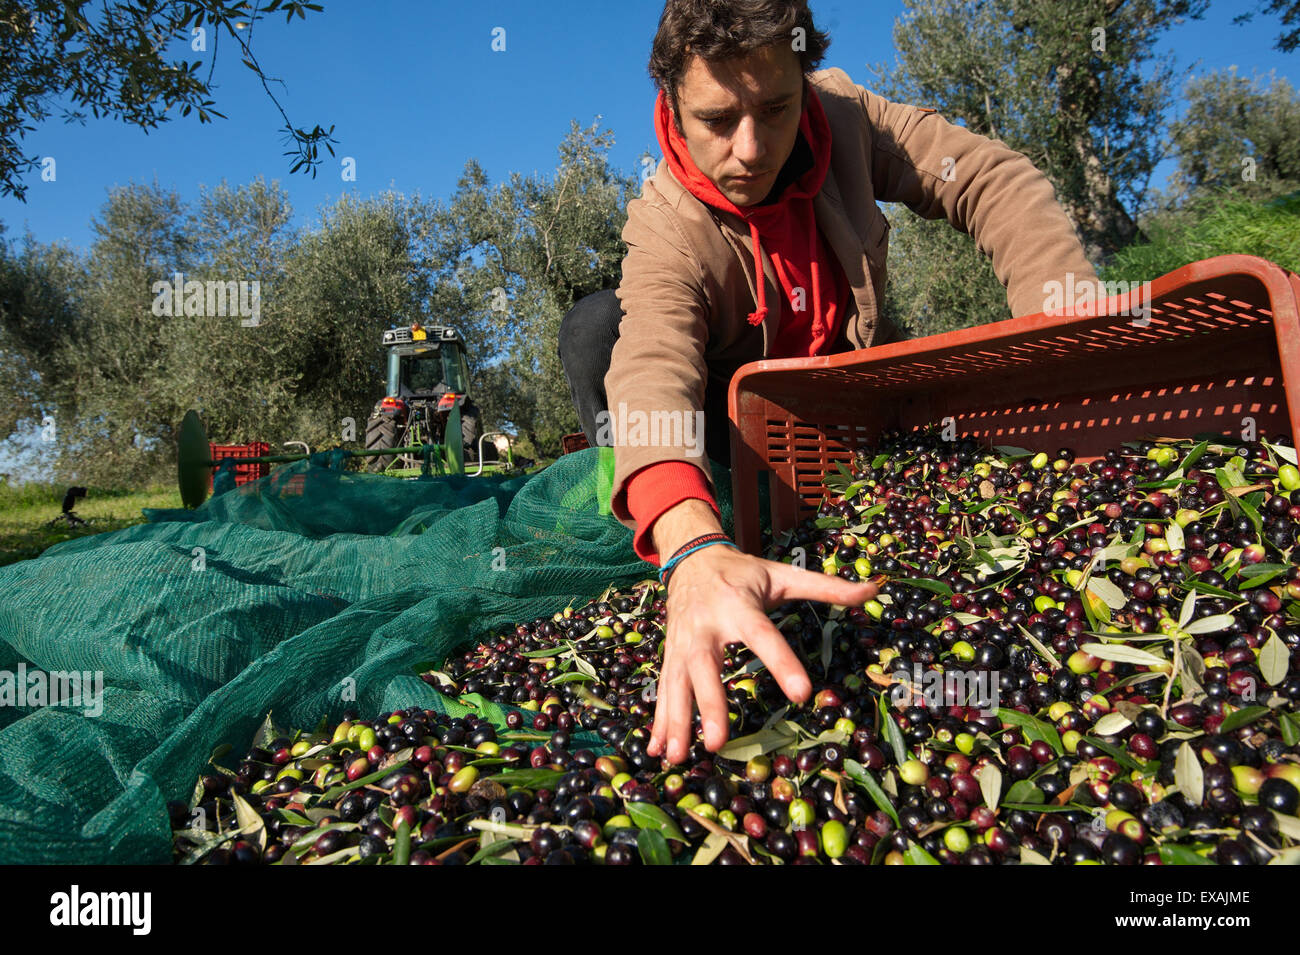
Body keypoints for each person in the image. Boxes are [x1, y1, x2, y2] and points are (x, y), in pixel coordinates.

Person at [558, 0, 1100, 765]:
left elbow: (989, 178)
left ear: (805, 82)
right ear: (673, 106)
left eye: (775, 109)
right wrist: (688, 541)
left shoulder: (846, 118)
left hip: (846, 402)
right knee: (595, 328)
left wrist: (1065, 335)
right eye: (717, 119)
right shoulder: (666, 226)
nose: (749, 148)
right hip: (729, 426)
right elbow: (651, 368)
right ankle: (693, 534)